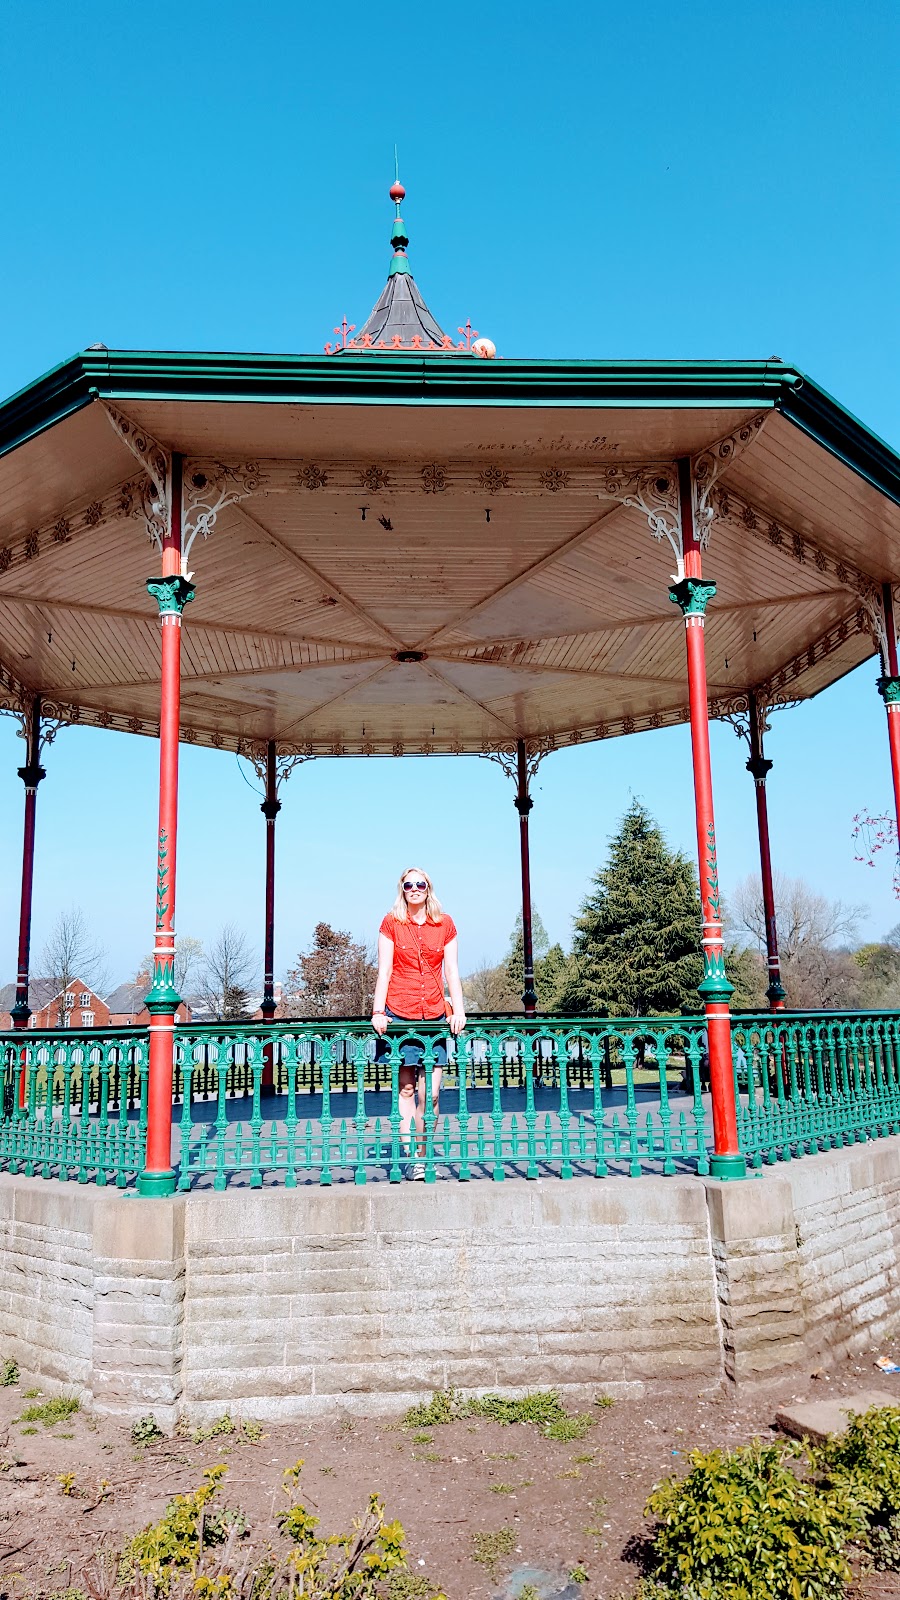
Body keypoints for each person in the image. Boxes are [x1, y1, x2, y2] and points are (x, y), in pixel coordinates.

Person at [372, 867, 466, 1180]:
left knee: (432, 1094)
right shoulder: (391, 923)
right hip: (400, 1013)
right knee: (407, 1089)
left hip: (435, 1016)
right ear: (402, 889)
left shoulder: (445, 924)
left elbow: (451, 971)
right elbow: (384, 971)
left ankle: (425, 1151)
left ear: (428, 889)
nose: (414, 889)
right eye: (408, 884)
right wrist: (378, 1011)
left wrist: (458, 1010)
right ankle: (415, 1158)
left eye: (420, 884)